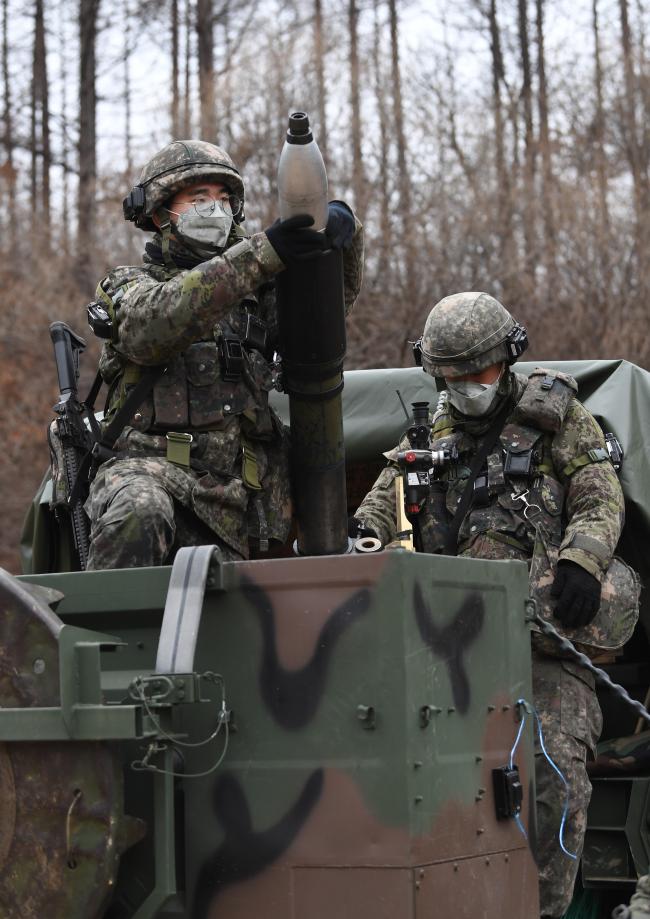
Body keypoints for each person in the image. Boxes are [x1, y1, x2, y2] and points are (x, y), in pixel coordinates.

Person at [352, 291, 627, 919]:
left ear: (507, 359)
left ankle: (545, 910)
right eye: (452, 376)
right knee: (442, 790)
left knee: (556, 783)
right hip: (452, 650)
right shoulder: (428, 435)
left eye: (477, 372)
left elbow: (598, 493)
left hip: (546, 642)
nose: (467, 386)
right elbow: (377, 505)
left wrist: (582, 561)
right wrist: (360, 539)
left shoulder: (557, 417)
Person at [84, 139, 363, 569]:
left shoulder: (258, 290)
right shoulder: (126, 287)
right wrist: (265, 252)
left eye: (223, 198)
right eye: (199, 199)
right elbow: (159, 322)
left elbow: (319, 326)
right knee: (138, 512)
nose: (215, 208)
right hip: (153, 476)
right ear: (160, 214)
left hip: (242, 496)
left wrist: (338, 238)